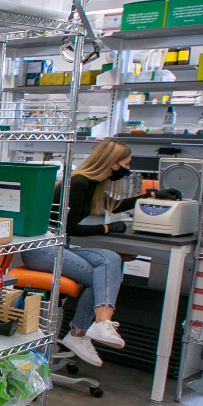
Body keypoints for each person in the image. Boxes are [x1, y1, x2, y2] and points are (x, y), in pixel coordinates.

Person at [21, 139, 165, 367]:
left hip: (59, 248)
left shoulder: (90, 185)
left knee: (110, 258)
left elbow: (113, 205)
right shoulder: (78, 183)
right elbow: (70, 228)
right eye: (126, 163)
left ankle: (99, 325)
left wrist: (152, 197)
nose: (128, 169)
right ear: (113, 163)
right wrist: (108, 228)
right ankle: (81, 333)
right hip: (41, 250)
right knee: (99, 277)